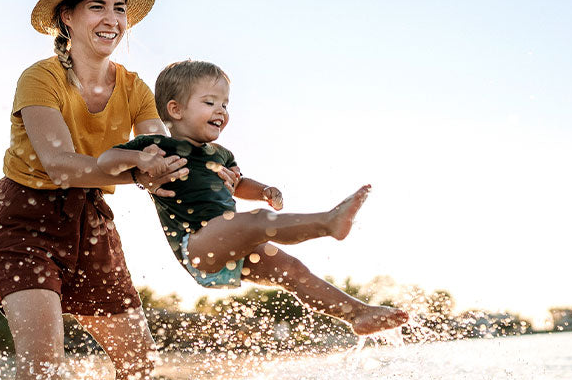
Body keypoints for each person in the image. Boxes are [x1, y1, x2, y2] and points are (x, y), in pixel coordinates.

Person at [0, 0, 213, 380]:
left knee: (136, 355)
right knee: (43, 361)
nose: (111, 18)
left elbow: (158, 151)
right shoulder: (38, 79)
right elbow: (61, 164)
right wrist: (139, 166)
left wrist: (193, 169)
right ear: (67, 18)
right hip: (26, 218)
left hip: (90, 219)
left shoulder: (133, 86)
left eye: (119, 8)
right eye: (96, 7)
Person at [105, 60, 409, 335]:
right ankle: (328, 223)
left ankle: (357, 314)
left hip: (233, 242)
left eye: (225, 104)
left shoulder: (221, 154)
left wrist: (264, 191)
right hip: (198, 246)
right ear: (176, 110)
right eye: (210, 102)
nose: (221, 111)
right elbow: (106, 160)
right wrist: (140, 161)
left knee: (293, 270)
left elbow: (239, 184)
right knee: (258, 222)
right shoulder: (156, 145)